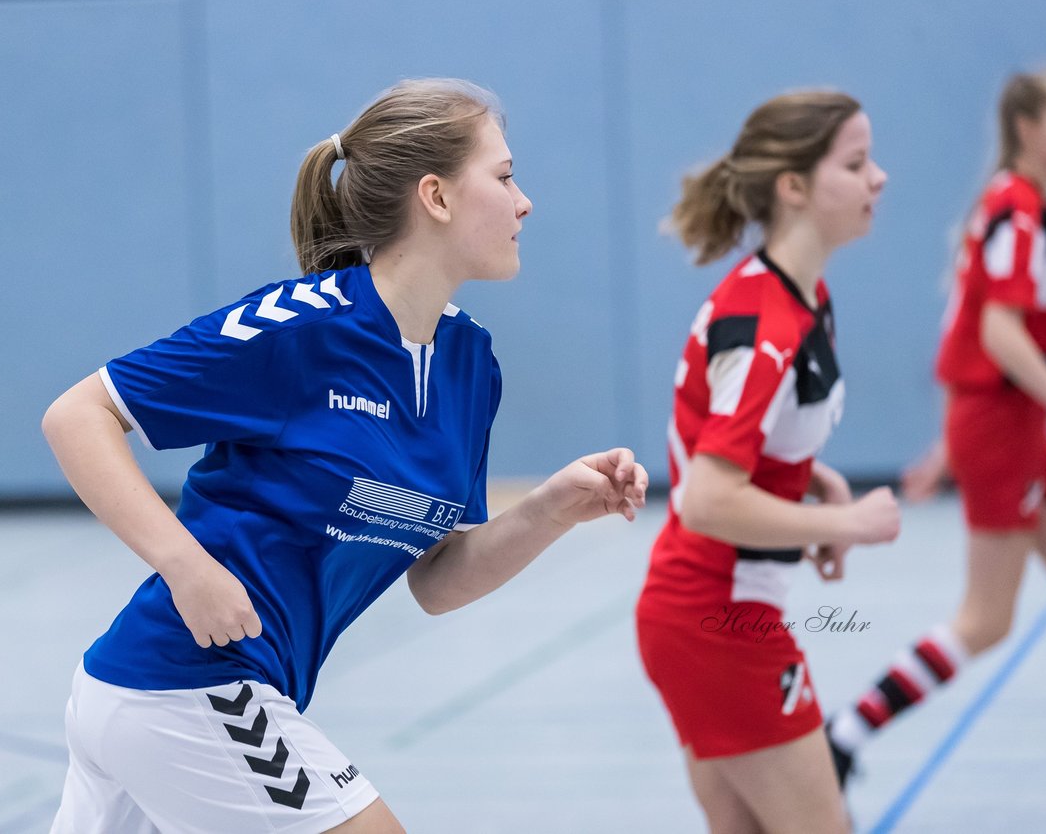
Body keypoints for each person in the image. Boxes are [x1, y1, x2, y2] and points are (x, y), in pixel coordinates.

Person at [42, 78, 648, 834]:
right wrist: (185, 565)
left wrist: (553, 507)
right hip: (185, 683)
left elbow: (437, 580)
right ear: (436, 196)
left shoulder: (470, 363)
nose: (523, 202)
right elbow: (78, 416)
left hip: (182, 701)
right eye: (503, 176)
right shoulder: (300, 326)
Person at [826, 67, 1046, 816]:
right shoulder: (1014, 213)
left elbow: (963, 331)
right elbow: (996, 336)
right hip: (1008, 424)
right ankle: (843, 738)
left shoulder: (1014, 208)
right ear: (1027, 130)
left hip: (1006, 424)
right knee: (987, 620)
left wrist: (950, 442)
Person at [634, 90, 900, 834]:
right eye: (855, 163)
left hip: (706, 614)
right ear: (794, 187)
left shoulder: (798, 296)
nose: (879, 178)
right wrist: (849, 519)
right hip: (716, 619)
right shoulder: (764, 325)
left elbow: (722, 436)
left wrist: (809, 480)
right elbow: (708, 500)